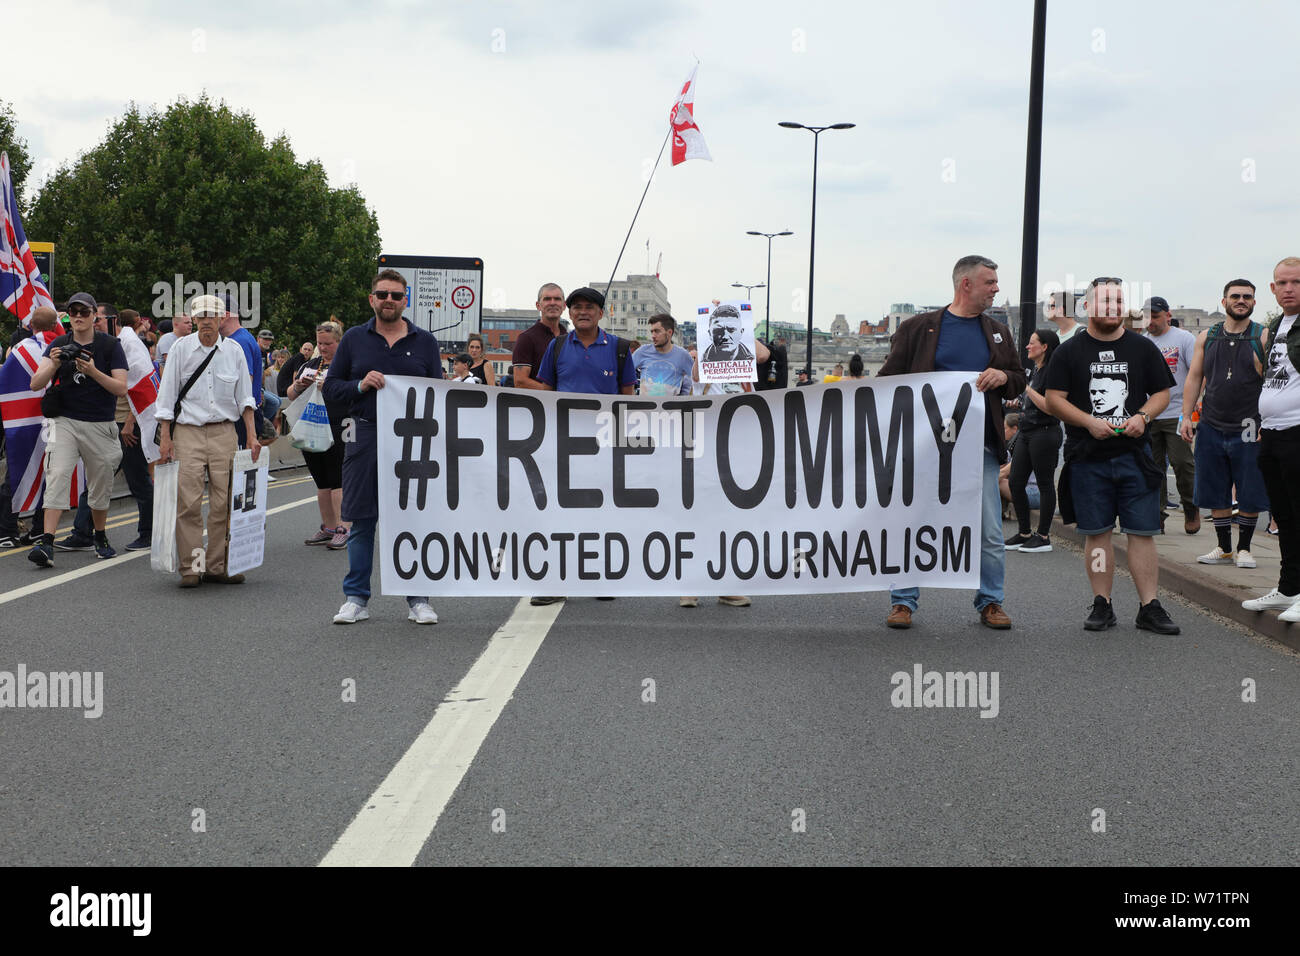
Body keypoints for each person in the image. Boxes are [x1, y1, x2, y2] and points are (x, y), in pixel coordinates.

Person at [878, 255, 1024, 630]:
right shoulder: (918, 328)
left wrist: (1002, 377)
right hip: (924, 448)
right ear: (966, 285)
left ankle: (991, 601)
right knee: (911, 521)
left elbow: (1019, 379)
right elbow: (887, 381)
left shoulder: (997, 332)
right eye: (990, 282)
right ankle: (903, 601)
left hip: (980, 447)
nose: (996, 289)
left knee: (989, 531)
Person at [1044, 276, 1179, 633]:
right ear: (1087, 306)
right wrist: (1088, 422)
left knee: (1142, 531)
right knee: (1098, 533)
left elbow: (1162, 394)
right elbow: (1054, 399)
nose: (1113, 308)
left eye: (1118, 302)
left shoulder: (1142, 348)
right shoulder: (1069, 351)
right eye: (1105, 302)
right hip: (1088, 457)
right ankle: (1102, 603)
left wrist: (1143, 416)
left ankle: (1149, 606)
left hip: (1135, 455)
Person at [323, 269, 444, 626]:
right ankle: (356, 598)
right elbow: (331, 389)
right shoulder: (354, 340)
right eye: (382, 294)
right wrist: (359, 385)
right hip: (366, 435)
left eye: (396, 295)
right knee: (362, 518)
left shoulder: (425, 342)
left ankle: (418, 599)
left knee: (414, 518)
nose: (389, 300)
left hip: (414, 439)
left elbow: (439, 394)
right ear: (372, 299)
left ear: (405, 300)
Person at [531, 286, 637, 607]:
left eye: (590, 307)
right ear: (570, 312)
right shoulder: (558, 345)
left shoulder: (619, 348)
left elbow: (628, 397)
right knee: (559, 514)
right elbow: (546, 392)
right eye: (576, 307)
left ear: (601, 313)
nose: (582, 312)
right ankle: (554, 582)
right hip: (563, 445)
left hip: (605, 446)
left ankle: (602, 577)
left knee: (602, 514)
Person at [154, 295, 260, 587]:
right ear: (194, 319)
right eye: (201, 317)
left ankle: (217, 566)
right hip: (187, 432)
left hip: (224, 432)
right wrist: (166, 438)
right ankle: (192, 567)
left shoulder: (235, 351)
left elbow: (245, 399)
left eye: (211, 317)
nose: (206, 322)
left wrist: (251, 436)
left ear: (221, 318)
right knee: (188, 502)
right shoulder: (180, 349)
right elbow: (166, 396)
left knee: (224, 502)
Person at [25, 292, 128, 568]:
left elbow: (121, 388)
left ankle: (101, 536)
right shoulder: (59, 344)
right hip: (64, 421)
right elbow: (36, 383)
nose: (79, 317)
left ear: (95, 315)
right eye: (73, 312)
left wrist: (93, 371)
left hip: (100, 423)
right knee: (57, 473)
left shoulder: (110, 346)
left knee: (100, 484)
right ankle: (47, 543)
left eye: (84, 312)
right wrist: (56, 363)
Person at [1180, 279, 1269, 569]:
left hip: (1249, 424)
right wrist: (1186, 416)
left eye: (1247, 296)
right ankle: (1223, 547)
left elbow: (1272, 383)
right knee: (1214, 487)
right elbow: (1195, 377)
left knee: (1250, 488)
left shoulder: (1263, 336)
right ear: (1224, 302)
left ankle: (1244, 548)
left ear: (1254, 302)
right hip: (1212, 423)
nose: (1241, 300)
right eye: (1235, 296)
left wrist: (1267, 422)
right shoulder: (1207, 336)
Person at [1241, 258, 1300, 620]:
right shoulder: (1275, 325)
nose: (1289, 288)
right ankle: (1290, 587)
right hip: (1273, 433)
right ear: (1273, 289)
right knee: (1284, 516)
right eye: (1282, 282)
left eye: (1296, 281)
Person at [284, 320, 349, 550]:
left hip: (338, 427)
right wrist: (301, 385)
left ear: (339, 342)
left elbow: (355, 392)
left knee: (337, 479)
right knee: (321, 480)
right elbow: (290, 394)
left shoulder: (347, 365)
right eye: (320, 343)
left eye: (328, 343)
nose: (323, 347)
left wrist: (329, 387)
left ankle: (343, 527)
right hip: (311, 427)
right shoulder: (310, 364)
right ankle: (328, 527)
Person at [1142, 296, 1198, 534]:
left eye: (1155, 316)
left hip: (1177, 412)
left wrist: (1191, 410)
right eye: (1146, 317)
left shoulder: (1183, 338)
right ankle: (1158, 514)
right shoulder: (1143, 342)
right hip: (1150, 413)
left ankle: (1190, 507)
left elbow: (1196, 373)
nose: (1150, 322)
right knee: (1153, 468)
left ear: (1167, 315)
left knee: (1182, 463)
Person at [1003, 328, 1061, 553]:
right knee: (1016, 482)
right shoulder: (1034, 371)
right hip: (1027, 431)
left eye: (1032, 342)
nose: (1027, 346)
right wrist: (1017, 401)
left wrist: (1026, 389)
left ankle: (1043, 536)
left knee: (1045, 483)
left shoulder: (1053, 371)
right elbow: (1031, 401)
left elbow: (1049, 405)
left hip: (1045, 432)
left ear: (1044, 347)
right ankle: (1024, 532)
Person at [218, 304, 277, 445]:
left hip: (241, 414)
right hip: (244, 412)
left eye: (210, 315)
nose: (206, 321)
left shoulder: (239, 341)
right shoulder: (241, 337)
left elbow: (246, 382)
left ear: (224, 316)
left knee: (236, 462)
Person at [511, 282, 566, 390]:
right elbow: (520, 381)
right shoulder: (526, 338)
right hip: (540, 404)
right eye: (547, 299)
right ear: (538, 305)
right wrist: (555, 392)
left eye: (557, 299)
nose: (552, 303)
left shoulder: (571, 338)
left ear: (564, 305)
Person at [633, 313, 693, 395]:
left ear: (669, 332)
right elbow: (624, 373)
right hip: (644, 407)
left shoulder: (683, 355)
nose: (653, 336)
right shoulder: (642, 351)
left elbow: (697, 381)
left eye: (657, 331)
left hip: (671, 407)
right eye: (652, 332)